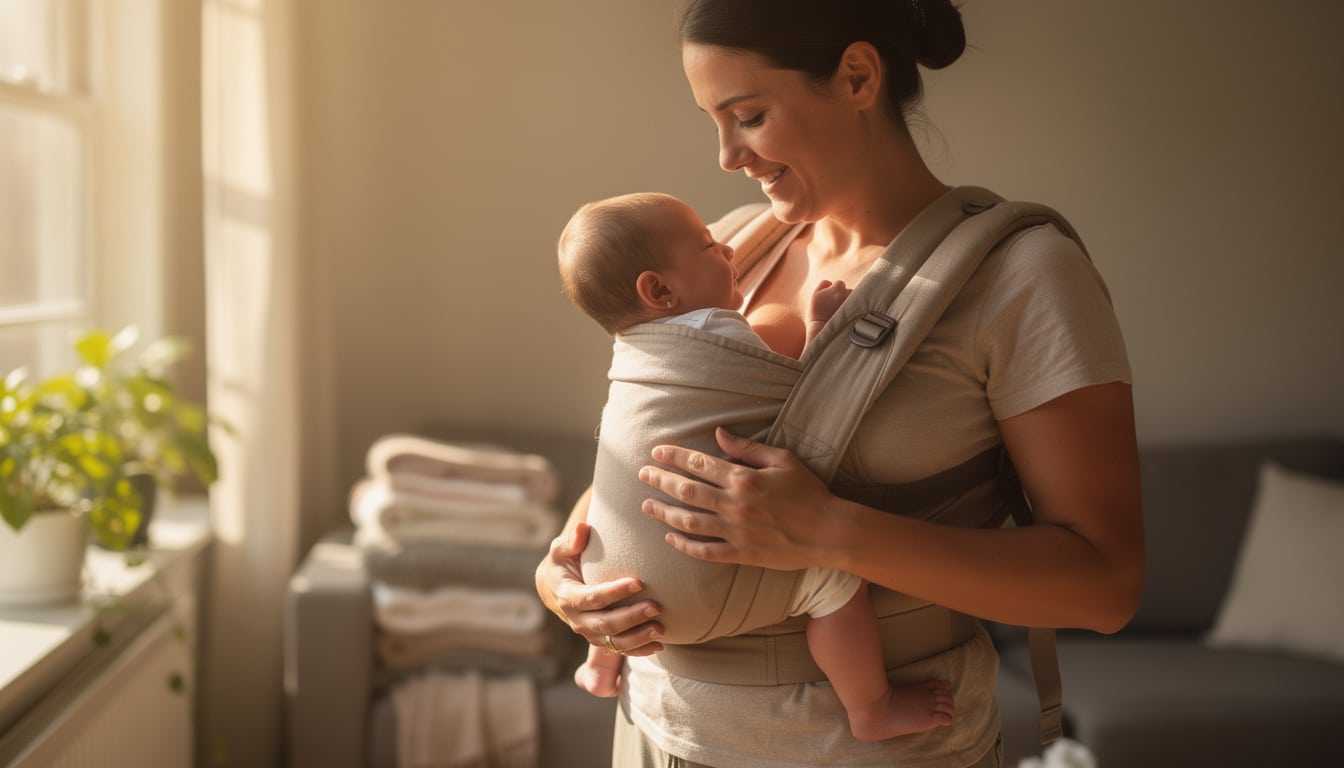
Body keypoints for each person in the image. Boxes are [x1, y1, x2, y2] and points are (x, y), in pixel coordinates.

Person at [536, 1, 1143, 766]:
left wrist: (831, 531)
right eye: (713, 121)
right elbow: (658, 446)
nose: (727, 155)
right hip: (658, 735)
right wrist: (565, 572)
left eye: (748, 115)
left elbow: (1105, 585)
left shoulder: (1022, 278)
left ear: (858, 75)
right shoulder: (725, 252)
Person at [556, 190, 954, 742]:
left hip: (616, 584)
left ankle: (600, 664)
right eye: (706, 246)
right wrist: (821, 329)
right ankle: (872, 708)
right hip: (697, 588)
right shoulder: (718, 328)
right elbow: (801, 397)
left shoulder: (635, 350)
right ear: (660, 289)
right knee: (834, 579)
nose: (726, 246)